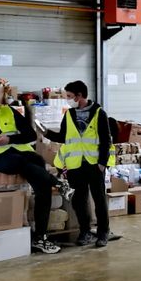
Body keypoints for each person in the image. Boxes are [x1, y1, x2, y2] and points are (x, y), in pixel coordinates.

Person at [0, 88, 62, 254]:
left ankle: (41, 237)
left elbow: (30, 135)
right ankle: (58, 183)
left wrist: (9, 139)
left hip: (25, 154)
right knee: (21, 163)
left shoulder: (9, 111)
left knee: (40, 171)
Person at [42, 81, 114, 248]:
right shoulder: (69, 114)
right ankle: (85, 231)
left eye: (69, 96)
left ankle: (103, 232)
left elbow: (106, 140)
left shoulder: (99, 113)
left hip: (94, 164)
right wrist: (46, 132)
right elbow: (63, 137)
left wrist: (102, 163)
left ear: (79, 95)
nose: (67, 99)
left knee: (99, 199)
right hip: (75, 165)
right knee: (79, 201)